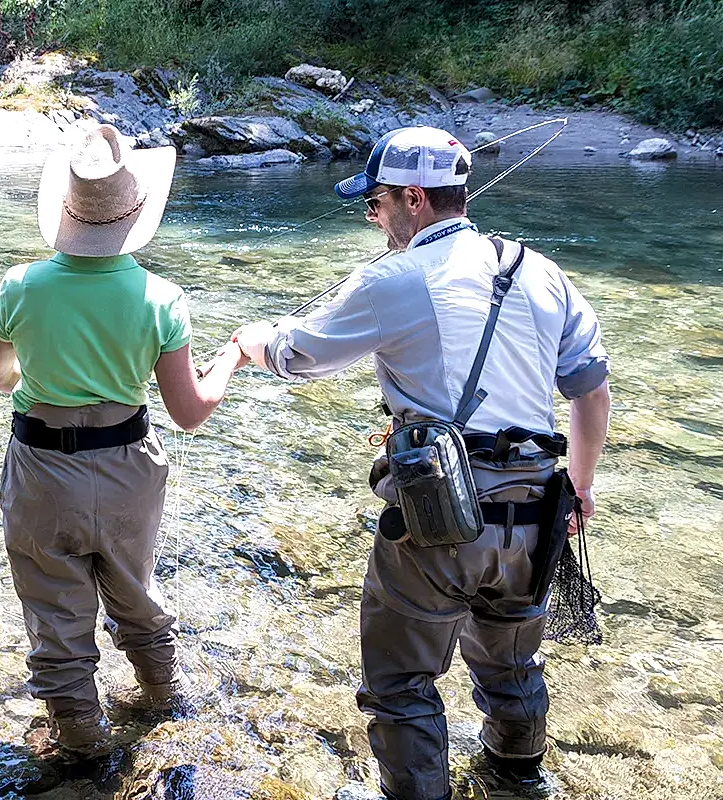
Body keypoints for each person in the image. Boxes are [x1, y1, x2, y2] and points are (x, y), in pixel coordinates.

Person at [231, 127, 611, 799]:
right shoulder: (542, 271)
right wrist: (579, 489)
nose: (372, 218)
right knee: (513, 663)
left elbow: (300, 358)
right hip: (538, 511)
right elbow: (591, 391)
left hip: (442, 516)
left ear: (412, 198)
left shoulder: (397, 277)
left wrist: (256, 341)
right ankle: (516, 778)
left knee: (401, 681)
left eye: (375, 203)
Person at [0, 124, 248, 756]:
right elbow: (189, 412)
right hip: (128, 464)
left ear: (68, 212)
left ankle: (82, 742)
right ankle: (160, 698)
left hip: (42, 465)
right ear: (134, 213)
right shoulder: (162, 298)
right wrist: (231, 358)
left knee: (54, 607)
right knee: (132, 585)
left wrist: (40, 366)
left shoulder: (22, 285)